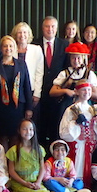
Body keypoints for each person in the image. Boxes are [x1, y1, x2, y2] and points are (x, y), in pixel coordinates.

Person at [0, 35, 33, 151]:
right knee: (2, 137)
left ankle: (13, 165)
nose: (8, 48)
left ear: (15, 48)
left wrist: (29, 107)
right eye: (5, 46)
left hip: (17, 108)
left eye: (11, 46)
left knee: (16, 136)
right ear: (1, 48)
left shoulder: (21, 64)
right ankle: (3, 165)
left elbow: (27, 86)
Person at [59, 81, 97, 187]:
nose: (87, 92)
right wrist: (75, 123)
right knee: (77, 169)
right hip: (78, 147)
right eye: (83, 90)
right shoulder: (71, 110)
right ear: (77, 91)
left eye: (89, 90)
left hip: (91, 147)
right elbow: (63, 133)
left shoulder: (94, 109)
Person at [50, 42, 97, 136]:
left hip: (85, 107)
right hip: (67, 107)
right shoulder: (65, 73)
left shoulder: (89, 74)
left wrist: (82, 93)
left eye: (78, 58)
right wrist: (65, 91)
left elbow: (95, 94)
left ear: (83, 58)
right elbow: (52, 92)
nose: (76, 60)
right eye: (73, 57)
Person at [35, 16, 68, 146]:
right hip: (39, 93)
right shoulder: (34, 44)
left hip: (57, 95)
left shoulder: (64, 44)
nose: (50, 29)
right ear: (42, 28)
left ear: (57, 28)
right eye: (47, 26)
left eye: (53, 26)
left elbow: (66, 69)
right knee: (40, 127)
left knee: (55, 128)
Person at [6, 119, 50, 192]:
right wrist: (24, 183)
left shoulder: (39, 149)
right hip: (20, 183)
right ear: (19, 131)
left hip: (36, 183)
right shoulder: (13, 150)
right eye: (24, 129)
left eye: (31, 129)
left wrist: (38, 182)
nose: (28, 132)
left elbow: (42, 168)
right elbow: (11, 171)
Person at [10, 22, 44, 111]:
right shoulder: (10, 50)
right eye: (19, 32)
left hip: (32, 90)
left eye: (25, 32)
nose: (22, 35)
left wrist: (37, 93)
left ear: (29, 34)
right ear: (15, 35)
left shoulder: (36, 49)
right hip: (14, 91)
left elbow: (39, 73)